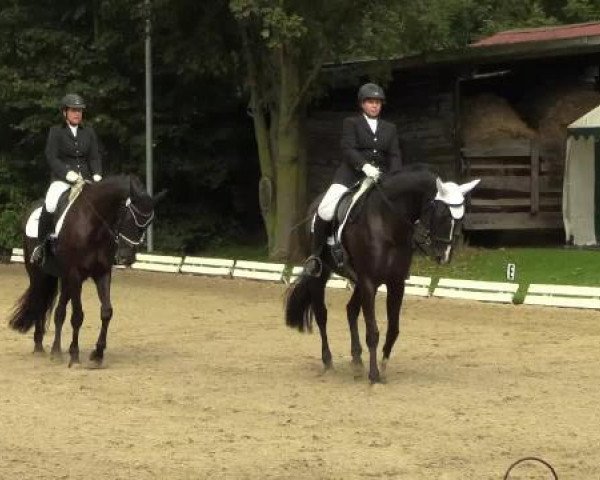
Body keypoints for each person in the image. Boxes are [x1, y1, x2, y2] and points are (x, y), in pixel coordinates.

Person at [304, 82, 402, 277]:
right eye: (370, 102)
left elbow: (394, 155)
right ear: (362, 104)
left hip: (379, 178)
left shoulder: (389, 128)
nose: (375, 105)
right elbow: (348, 148)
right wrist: (364, 165)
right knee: (325, 209)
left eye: (378, 102)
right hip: (351, 175)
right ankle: (315, 256)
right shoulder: (351, 123)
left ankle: (398, 256)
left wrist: (395, 177)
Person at [30, 93, 103, 265]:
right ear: (65, 113)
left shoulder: (89, 132)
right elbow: (52, 157)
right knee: (50, 203)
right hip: (62, 180)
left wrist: (97, 174)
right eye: (73, 110)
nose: (77, 114)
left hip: (85, 180)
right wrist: (66, 173)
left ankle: (106, 248)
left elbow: (94, 156)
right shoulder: (56, 132)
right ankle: (41, 246)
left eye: (80, 111)